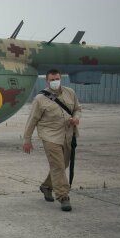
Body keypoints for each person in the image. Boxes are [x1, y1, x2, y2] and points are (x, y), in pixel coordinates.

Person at [23, 69, 82, 212]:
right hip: (50, 136)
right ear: (47, 81)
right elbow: (32, 120)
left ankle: (46, 186)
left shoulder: (70, 93)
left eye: (57, 79)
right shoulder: (40, 99)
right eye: (52, 80)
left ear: (61, 78)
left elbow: (77, 109)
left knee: (63, 164)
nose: (55, 81)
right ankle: (63, 196)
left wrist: (76, 118)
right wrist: (27, 139)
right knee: (58, 166)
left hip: (68, 135)